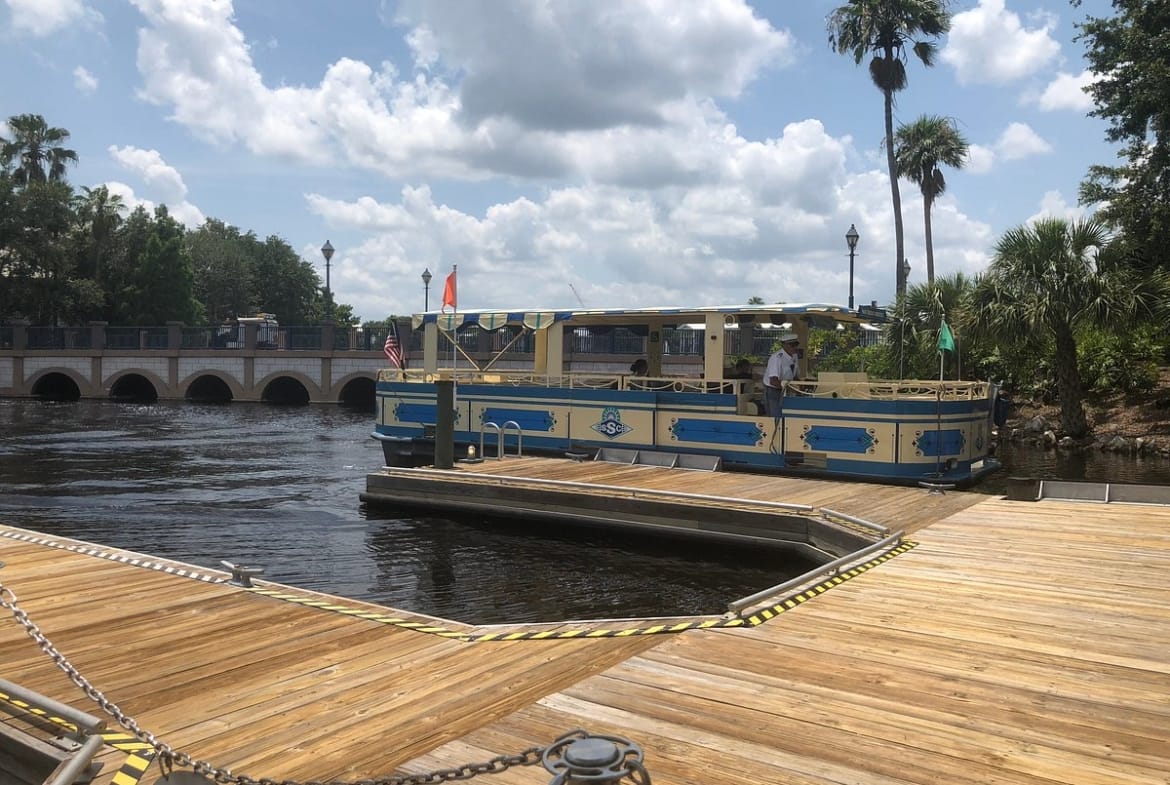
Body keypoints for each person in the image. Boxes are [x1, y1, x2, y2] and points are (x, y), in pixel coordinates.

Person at [764, 333, 800, 417]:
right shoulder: (776, 358)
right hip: (773, 391)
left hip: (787, 389)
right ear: (784, 345)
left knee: (788, 416)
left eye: (796, 344)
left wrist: (800, 388)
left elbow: (795, 375)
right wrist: (790, 389)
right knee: (775, 417)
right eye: (792, 345)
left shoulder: (795, 356)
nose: (795, 347)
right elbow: (773, 381)